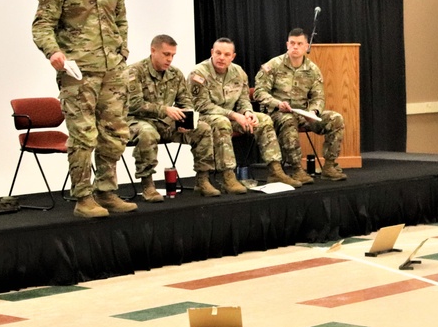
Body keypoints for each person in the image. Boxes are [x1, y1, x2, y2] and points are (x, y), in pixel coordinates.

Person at [32, 0, 137, 218]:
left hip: (112, 72)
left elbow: (122, 21)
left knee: (115, 132)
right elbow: (42, 25)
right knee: (83, 136)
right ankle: (83, 198)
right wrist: (54, 52)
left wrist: (122, 52)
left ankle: (107, 191)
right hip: (78, 72)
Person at [190, 38, 302, 192]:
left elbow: (243, 100)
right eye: (218, 53)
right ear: (212, 53)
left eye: (226, 54)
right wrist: (235, 115)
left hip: (232, 116)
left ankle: (275, 170)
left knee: (263, 120)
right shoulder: (199, 73)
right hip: (205, 118)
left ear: (232, 56)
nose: (222, 57)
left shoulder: (239, 73)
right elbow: (201, 105)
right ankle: (227, 175)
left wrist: (248, 112)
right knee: (222, 122)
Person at [126, 35, 221, 201]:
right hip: (137, 122)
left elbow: (185, 102)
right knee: (147, 133)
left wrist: (185, 120)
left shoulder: (175, 74)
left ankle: (202, 180)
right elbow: (134, 105)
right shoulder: (135, 71)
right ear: (153, 50)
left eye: (172, 55)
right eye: (166, 54)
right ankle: (148, 184)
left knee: (203, 129)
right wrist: (164, 110)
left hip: (166, 124)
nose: (169, 59)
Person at [254, 28, 347, 182]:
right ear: (287, 45)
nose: (295, 47)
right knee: (288, 120)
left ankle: (330, 166)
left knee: (336, 119)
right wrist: (277, 103)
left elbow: (319, 96)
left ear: (306, 47)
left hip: (304, 114)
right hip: (278, 114)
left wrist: (314, 112)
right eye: (292, 43)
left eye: (299, 44)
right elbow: (259, 92)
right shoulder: (273, 65)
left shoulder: (312, 70)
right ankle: (297, 169)